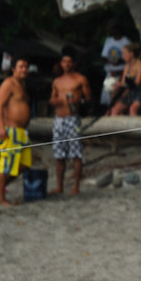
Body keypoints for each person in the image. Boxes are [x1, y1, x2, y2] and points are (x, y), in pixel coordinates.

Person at [48, 54, 92, 195]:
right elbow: (52, 97)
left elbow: (89, 98)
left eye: (69, 61)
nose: (67, 64)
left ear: (73, 63)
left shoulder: (80, 79)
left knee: (76, 153)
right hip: (58, 119)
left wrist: (79, 101)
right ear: (60, 63)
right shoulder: (57, 81)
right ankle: (59, 186)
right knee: (59, 154)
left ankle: (76, 187)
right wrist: (54, 101)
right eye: (64, 61)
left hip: (73, 118)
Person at [0, 57, 32, 206]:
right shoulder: (8, 84)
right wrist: (1, 127)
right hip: (11, 131)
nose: (24, 69)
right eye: (21, 66)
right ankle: (0, 198)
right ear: (13, 69)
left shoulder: (22, 85)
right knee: (5, 165)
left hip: (22, 132)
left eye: (26, 66)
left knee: (24, 164)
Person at [107, 43, 141, 116]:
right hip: (131, 90)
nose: (122, 56)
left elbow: (137, 83)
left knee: (133, 108)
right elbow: (123, 82)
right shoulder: (127, 66)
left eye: (124, 53)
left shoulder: (140, 65)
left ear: (131, 54)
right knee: (114, 110)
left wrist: (121, 85)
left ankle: (135, 127)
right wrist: (118, 87)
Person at [99, 20, 130, 109]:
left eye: (113, 29)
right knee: (106, 97)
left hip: (121, 73)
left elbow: (131, 59)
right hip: (110, 73)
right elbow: (103, 57)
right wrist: (107, 61)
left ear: (118, 29)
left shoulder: (126, 41)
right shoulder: (109, 40)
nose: (112, 31)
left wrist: (120, 61)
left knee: (117, 97)